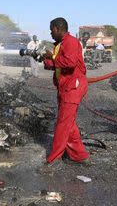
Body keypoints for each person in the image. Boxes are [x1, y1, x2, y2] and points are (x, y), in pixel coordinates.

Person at [39, 17, 89, 172]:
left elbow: (69, 62)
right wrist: (44, 59)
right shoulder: (60, 45)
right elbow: (56, 65)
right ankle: (79, 156)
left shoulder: (71, 42)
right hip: (65, 87)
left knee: (62, 124)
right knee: (69, 124)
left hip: (73, 88)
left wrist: (52, 57)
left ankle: (53, 160)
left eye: (51, 30)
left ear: (58, 28)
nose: (50, 33)